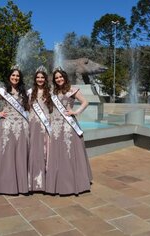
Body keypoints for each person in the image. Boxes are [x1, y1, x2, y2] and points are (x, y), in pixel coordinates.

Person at [46, 67, 93, 195]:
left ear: (65, 77)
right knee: (57, 152)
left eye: (61, 77)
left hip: (68, 126)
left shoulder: (72, 90)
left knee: (69, 152)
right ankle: (58, 182)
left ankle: (72, 182)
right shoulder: (53, 92)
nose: (59, 79)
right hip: (55, 126)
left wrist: (75, 112)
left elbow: (85, 102)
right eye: (56, 78)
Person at [0, 66, 30, 195]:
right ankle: (3, 183)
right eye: (13, 75)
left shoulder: (23, 92)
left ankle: (20, 184)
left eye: (18, 76)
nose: (15, 78)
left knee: (20, 153)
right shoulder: (3, 90)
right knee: (6, 153)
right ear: (9, 77)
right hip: (7, 125)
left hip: (21, 126)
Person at [27, 65, 53, 192]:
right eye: (38, 77)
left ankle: (46, 181)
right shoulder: (30, 92)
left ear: (45, 79)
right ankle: (33, 180)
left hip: (46, 125)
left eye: (42, 77)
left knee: (45, 150)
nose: (40, 79)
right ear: (35, 79)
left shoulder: (50, 92)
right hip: (33, 125)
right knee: (34, 150)